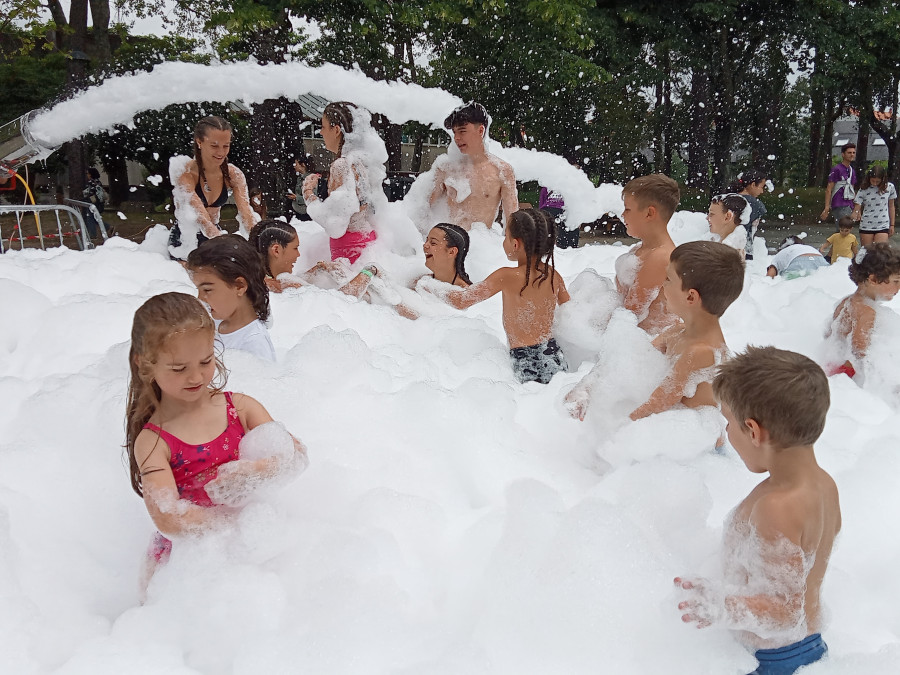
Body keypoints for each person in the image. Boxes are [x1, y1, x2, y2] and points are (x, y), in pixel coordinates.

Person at [676, 346, 841, 675]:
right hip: (804, 645)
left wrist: (720, 605)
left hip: (772, 659)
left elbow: (783, 611)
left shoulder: (777, 506)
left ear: (753, 431)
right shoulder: (824, 484)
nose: (726, 433)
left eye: (729, 424)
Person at [125, 292, 308, 588]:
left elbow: (295, 455)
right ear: (145, 364)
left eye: (205, 360)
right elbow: (169, 518)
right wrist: (230, 528)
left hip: (256, 540)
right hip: (188, 558)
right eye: (179, 368)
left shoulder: (241, 408)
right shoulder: (154, 442)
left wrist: (255, 474)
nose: (196, 376)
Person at [567, 241, 743, 422]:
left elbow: (660, 401)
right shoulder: (678, 331)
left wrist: (618, 425)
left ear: (690, 296)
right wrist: (587, 387)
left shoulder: (701, 352)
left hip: (699, 441)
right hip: (675, 430)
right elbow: (631, 358)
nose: (662, 285)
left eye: (668, 279)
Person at [421, 209, 569, 383]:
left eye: (505, 236)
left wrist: (430, 286)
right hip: (555, 354)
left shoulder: (506, 276)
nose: (503, 242)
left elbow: (462, 301)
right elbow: (569, 310)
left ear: (515, 244)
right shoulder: (553, 274)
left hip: (525, 359)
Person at [168, 116, 258, 259]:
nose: (221, 152)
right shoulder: (186, 174)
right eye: (214, 146)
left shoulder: (233, 174)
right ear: (199, 142)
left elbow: (246, 214)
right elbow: (204, 222)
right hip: (186, 240)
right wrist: (228, 246)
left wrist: (258, 242)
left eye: (226, 146)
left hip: (214, 234)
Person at [302, 102, 377, 264]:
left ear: (336, 130)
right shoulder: (361, 162)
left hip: (349, 247)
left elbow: (335, 226)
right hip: (366, 240)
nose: (320, 132)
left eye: (323, 126)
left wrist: (308, 193)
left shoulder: (341, 165)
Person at [429, 102, 519, 230]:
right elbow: (424, 209)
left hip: (480, 244)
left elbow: (512, 223)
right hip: (448, 244)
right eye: (454, 132)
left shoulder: (501, 171)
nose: (457, 138)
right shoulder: (446, 168)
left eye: (462, 131)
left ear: (481, 130)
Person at [186, 234, 276, 362]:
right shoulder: (215, 323)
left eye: (207, 290)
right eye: (198, 289)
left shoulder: (254, 344)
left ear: (239, 286)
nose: (200, 298)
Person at [247, 219, 378, 299]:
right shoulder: (280, 285)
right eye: (295, 248)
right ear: (276, 250)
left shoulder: (260, 281)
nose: (298, 255)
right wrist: (368, 272)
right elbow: (338, 303)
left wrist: (318, 269)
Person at [615, 174, 680, 334]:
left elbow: (631, 312)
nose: (623, 215)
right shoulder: (639, 250)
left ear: (649, 213)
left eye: (628, 209)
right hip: (638, 340)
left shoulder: (660, 257)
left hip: (652, 344)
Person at [825, 243, 900, 380]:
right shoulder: (867, 311)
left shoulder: (847, 301)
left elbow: (829, 334)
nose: (899, 286)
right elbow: (859, 351)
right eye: (896, 281)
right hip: (848, 374)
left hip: (834, 363)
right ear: (873, 279)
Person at [851, 165, 896, 247]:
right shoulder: (864, 188)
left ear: (883, 179)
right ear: (869, 178)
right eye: (873, 181)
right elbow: (857, 205)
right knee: (867, 252)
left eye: (877, 181)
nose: (875, 184)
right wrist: (855, 214)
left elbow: (891, 206)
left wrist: (892, 224)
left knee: (880, 252)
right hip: (867, 224)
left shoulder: (890, 187)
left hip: (883, 224)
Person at [820, 143, 857, 230]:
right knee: (843, 229)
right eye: (849, 152)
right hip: (839, 203)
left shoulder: (852, 171)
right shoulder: (837, 169)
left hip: (849, 204)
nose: (852, 154)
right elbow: (829, 189)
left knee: (846, 230)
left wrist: (856, 208)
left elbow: (852, 189)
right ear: (843, 154)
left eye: (853, 152)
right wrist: (827, 207)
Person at [731, 170, 767, 259]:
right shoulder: (755, 204)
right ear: (753, 184)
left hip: (726, 244)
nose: (762, 191)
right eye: (761, 187)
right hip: (744, 248)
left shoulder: (727, 198)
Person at [707, 193, 750, 258]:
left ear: (728, 217)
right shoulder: (717, 242)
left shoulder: (730, 255)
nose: (707, 218)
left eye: (711, 214)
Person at [82, 167, 109, 240]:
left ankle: (93, 234)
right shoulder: (98, 182)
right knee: (95, 218)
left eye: (87, 173)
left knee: (90, 218)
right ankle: (108, 227)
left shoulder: (91, 182)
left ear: (90, 174)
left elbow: (90, 193)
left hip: (92, 202)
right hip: (99, 203)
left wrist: (85, 195)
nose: (87, 175)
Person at [286, 154, 311, 221]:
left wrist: (297, 197)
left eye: (296, 164)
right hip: (298, 211)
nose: (294, 166)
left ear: (303, 165)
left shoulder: (310, 179)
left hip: (305, 213)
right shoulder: (299, 178)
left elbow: (311, 197)